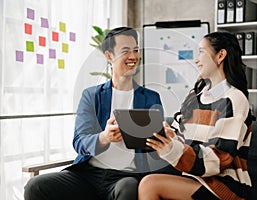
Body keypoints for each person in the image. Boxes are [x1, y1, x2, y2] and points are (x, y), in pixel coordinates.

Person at [24, 26, 178, 200]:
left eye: (136, 50)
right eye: (125, 51)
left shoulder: (150, 97)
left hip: (124, 177)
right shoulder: (91, 96)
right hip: (87, 175)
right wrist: (104, 137)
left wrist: (166, 140)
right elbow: (79, 142)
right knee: (36, 186)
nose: (133, 56)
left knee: (128, 187)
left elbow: (154, 146)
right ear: (109, 56)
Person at [138, 31, 253, 200]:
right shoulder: (196, 96)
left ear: (220, 55)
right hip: (192, 178)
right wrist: (169, 137)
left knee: (150, 184)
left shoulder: (235, 99)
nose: (196, 59)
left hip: (224, 186)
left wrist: (172, 149)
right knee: (144, 177)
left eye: (201, 52)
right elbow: (180, 137)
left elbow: (220, 158)